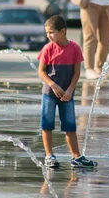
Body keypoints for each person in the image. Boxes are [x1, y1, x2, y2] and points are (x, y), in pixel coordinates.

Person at [38, 15, 97, 168]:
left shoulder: (75, 48)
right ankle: (49, 155)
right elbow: (41, 71)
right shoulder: (48, 49)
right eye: (47, 33)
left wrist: (70, 90)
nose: (49, 36)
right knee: (47, 124)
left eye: (51, 32)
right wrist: (53, 85)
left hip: (67, 95)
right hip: (49, 94)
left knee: (70, 125)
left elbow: (77, 72)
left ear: (63, 31)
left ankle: (76, 157)